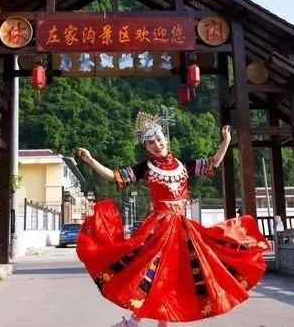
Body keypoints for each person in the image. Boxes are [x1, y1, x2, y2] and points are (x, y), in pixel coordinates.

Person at [76, 112, 271, 327]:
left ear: (166, 139)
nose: (156, 145)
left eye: (159, 139)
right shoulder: (145, 168)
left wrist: (225, 141)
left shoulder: (183, 165)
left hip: (182, 228)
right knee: (153, 273)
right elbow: (115, 176)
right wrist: (90, 160)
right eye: (151, 143)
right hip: (158, 228)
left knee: (176, 274)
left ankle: (136, 322)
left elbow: (212, 163)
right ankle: (135, 321)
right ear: (146, 147)